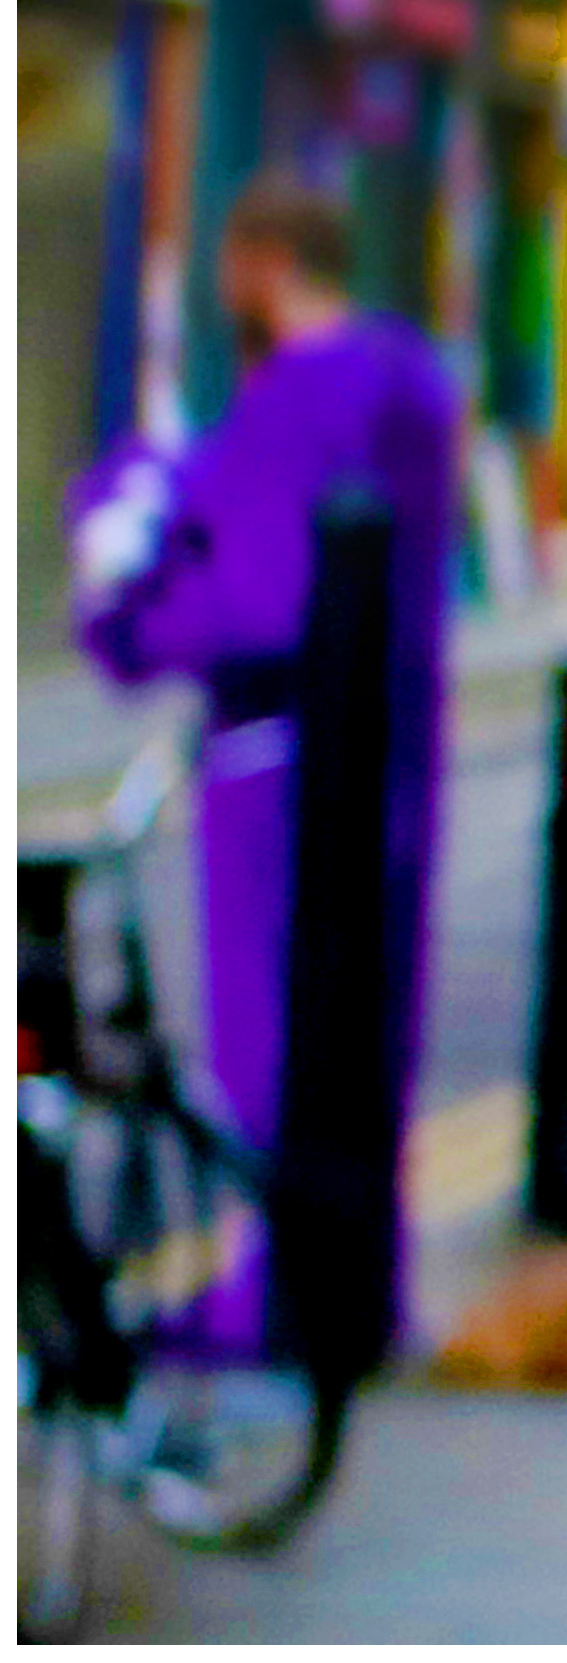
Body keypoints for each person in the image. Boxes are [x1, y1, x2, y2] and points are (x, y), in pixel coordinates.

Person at [67, 178, 468, 1379]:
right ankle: (356, 1285)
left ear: (259, 262)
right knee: (368, 1034)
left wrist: (132, 615)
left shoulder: (296, 395)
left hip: (279, 763)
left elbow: (257, 596)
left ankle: (277, 1294)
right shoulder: (412, 382)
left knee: (268, 1036)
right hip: (394, 752)